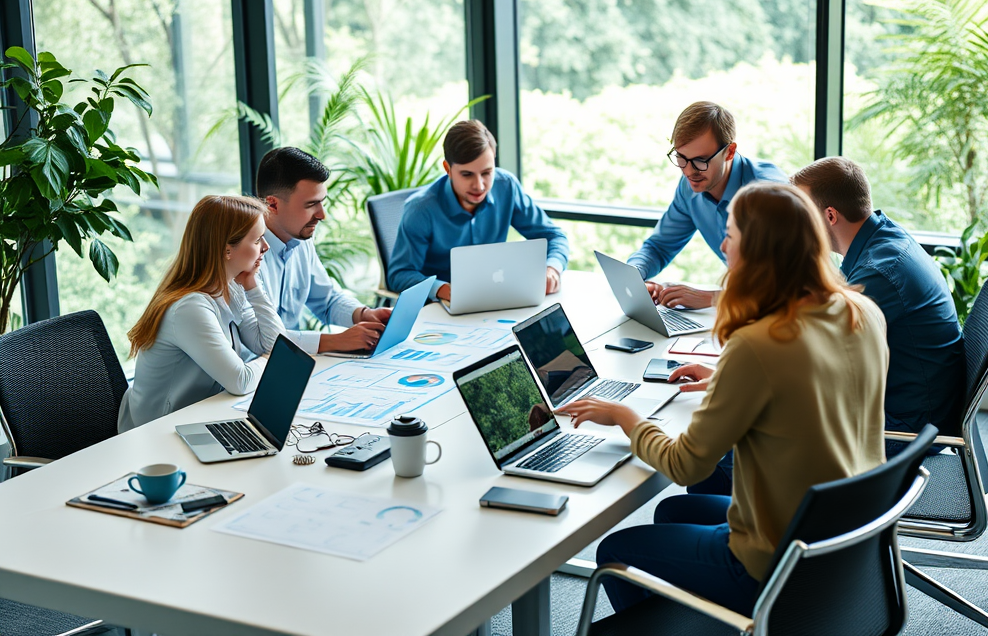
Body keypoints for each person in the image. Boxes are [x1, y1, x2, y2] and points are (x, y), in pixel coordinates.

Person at [559, 182, 887, 616]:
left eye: (730, 234)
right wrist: (726, 381)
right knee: (675, 512)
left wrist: (625, 416)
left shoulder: (758, 345)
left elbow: (685, 465)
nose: (722, 243)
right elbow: (812, 384)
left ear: (755, 254)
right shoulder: (861, 311)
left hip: (773, 559)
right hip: (844, 537)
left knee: (617, 549)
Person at [791, 156, 964, 441]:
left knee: (738, 447)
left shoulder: (877, 274)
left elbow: (819, 356)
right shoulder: (883, 238)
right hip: (918, 406)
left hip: (905, 428)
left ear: (830, 216)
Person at [119, 195, 285, 432]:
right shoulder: (189, 308)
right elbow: (241, 380)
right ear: (228, 249)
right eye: (258, 239)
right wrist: (272, 361)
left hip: (196, 419)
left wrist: (252, 287)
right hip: (154, 433)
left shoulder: (230, 288)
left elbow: (269, 343)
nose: (266, 247)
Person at [388, 119, 570, 302]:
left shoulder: (506, 186)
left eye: (487, 173)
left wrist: (552, 268)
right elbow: (399, 275)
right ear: (448, 169)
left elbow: (555, 237)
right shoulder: (421, 209)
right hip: (441, 307)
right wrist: (442, 289)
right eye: (467, 174)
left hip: (496, 296)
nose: (479, 185)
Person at [628, 101, 785, 309]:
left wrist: (711, 298)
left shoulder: (770, 192)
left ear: (729, 152)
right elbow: (659, 247)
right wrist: (633, 277)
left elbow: (789, 285)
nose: (688, 172)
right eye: (681, 158)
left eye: (701, 161)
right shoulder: (689, 188)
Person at [256, 147, 392, 355]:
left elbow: (326, 300)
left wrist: (363, 314)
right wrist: (333, 341)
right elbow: (259, 340)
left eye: (322, 202)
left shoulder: (300, 239)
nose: (322, 214)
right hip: (254, 372)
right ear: (272, 204)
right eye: (311, 205)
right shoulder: (245, 255)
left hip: (292, 362)